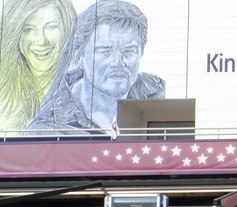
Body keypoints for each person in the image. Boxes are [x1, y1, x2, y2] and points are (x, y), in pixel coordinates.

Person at [27, 0, 165, 135]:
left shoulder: (157, 94)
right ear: (79, 56)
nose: (118, 62)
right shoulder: (48, 127)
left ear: (141, 52)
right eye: (104, 51)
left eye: (129, 51)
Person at [0, 0, 76, 131]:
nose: (41, 40)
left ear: (67, 28)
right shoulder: (4, 92)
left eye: (51, 27)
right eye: (28, 29)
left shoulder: (80, 91)